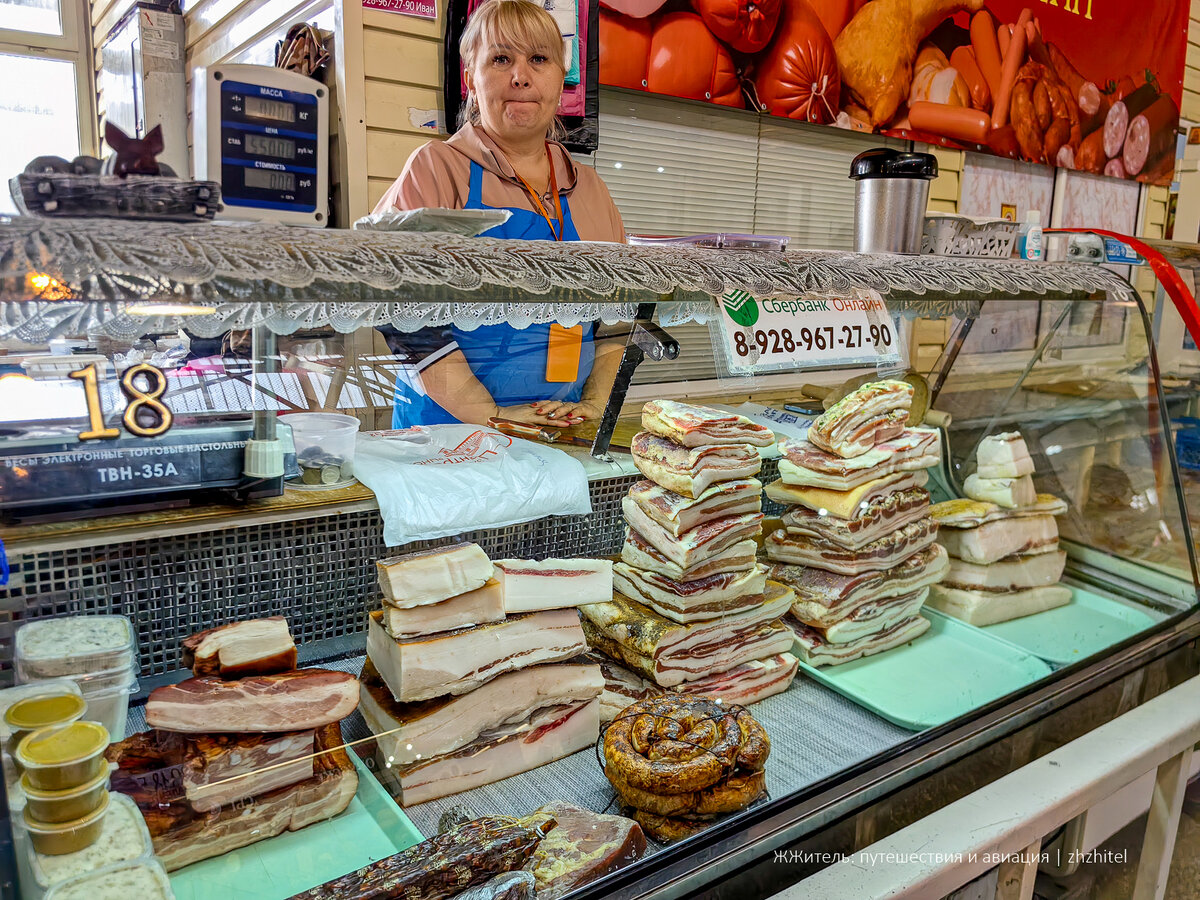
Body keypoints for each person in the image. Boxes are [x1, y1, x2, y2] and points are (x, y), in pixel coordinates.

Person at [374, 0, 627, 429]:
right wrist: (489, 415)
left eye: (539, 59)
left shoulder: (591, 188)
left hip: (561, 429)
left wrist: (595, 404)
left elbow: (619, 314)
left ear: (560, 78)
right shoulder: (437, 168)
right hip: (449, 435)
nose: (521, 76)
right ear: (471, 78)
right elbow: (399, 307)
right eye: (501, 58)